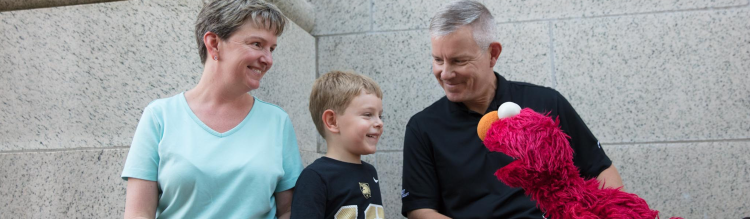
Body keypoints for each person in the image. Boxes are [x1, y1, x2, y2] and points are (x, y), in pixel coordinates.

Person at [400, 0, 624, 218]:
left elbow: (600, 170)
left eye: (458, 61)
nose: (445, 73)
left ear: (493, 54)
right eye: (438, 60)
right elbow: (420, 210)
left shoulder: (547, 103)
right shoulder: (423, 127)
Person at [121, 1, 303, 218]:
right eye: (257, 44)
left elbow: (289, 211)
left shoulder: (277, 122)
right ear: (214, 43)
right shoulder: (160, 117)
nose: (268, 59)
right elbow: (138, 214)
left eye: (271, 49)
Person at [290, 71, 386, 219]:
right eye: (368, 114)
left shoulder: (370, 172)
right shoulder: (315, 177)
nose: (379, 122)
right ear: (332, 121)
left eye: (380, 115)